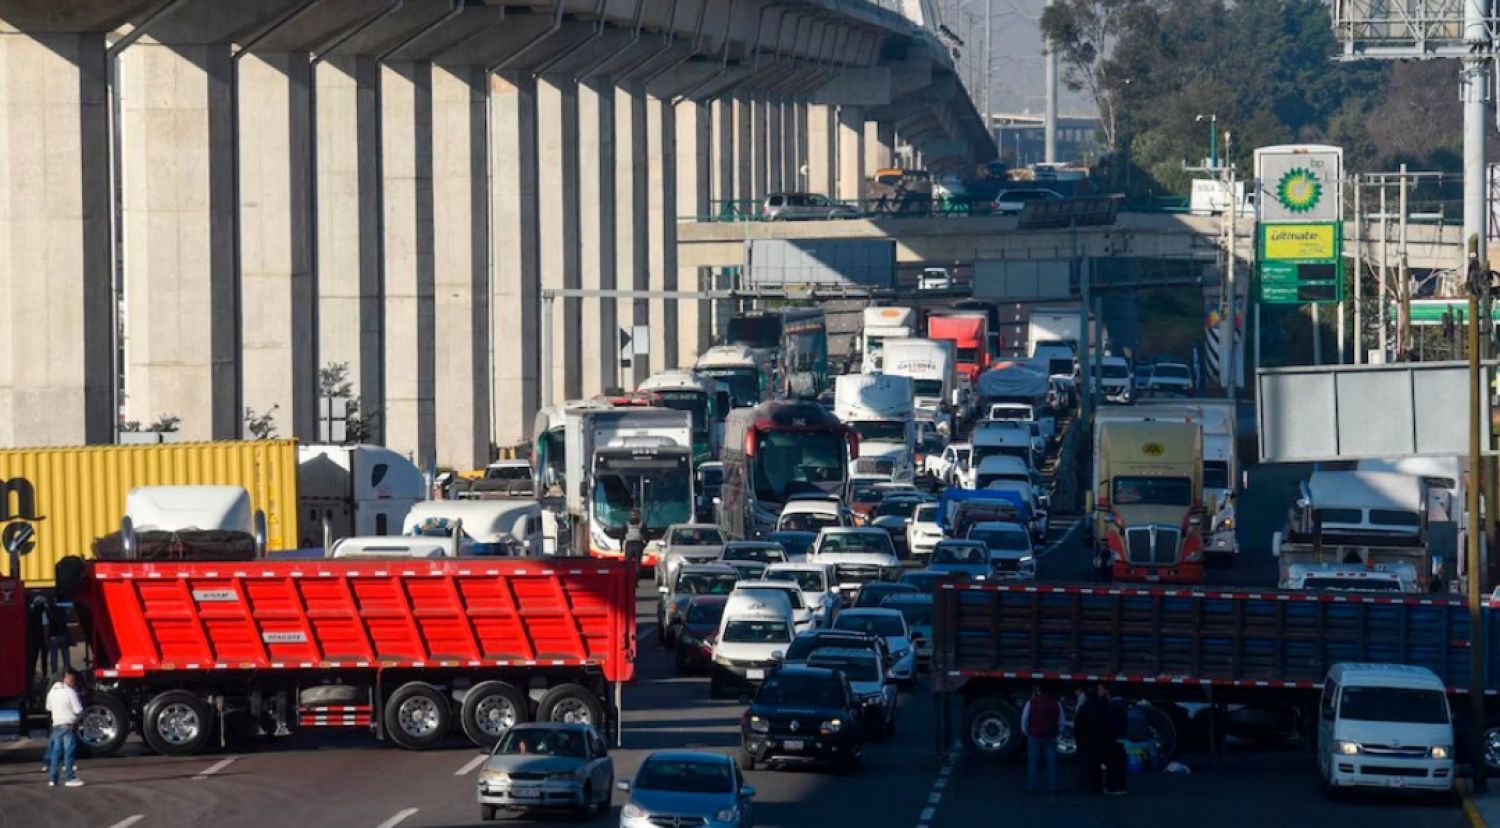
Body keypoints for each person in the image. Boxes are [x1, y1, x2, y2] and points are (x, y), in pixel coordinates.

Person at [1021, 684, 1064, 794]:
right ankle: (1053, 787)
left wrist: (1026, 731)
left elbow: (1025, 718)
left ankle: (1031, 786)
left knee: (1033, 761)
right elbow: (1061, 720)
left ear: (1039, 691)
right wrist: (1058, 731)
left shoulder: (1031, 702)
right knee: (1052, 763)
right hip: (1050, 735)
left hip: (1034, 735)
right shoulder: (1056, 703)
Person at [44, 670, 84, 787]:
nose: (73, 683)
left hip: (56, 724)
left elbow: (48, 707)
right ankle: (70, 778)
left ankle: (53, 779)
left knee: (56, 752)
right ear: (64, 679)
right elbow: (78, 710)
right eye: (71, 680)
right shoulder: (70, 692)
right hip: (68, 724)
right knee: (69, 752)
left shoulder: (51, 692)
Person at [1073, 686, 1109, 794]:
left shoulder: (1083, 707)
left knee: (1085, 764)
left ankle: (1085, 784)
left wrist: (1077, 738)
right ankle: (1097, 786)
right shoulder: (1103, 707)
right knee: (1097, 764)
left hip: (1085, 739)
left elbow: (1077, 724)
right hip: (1098, 739)